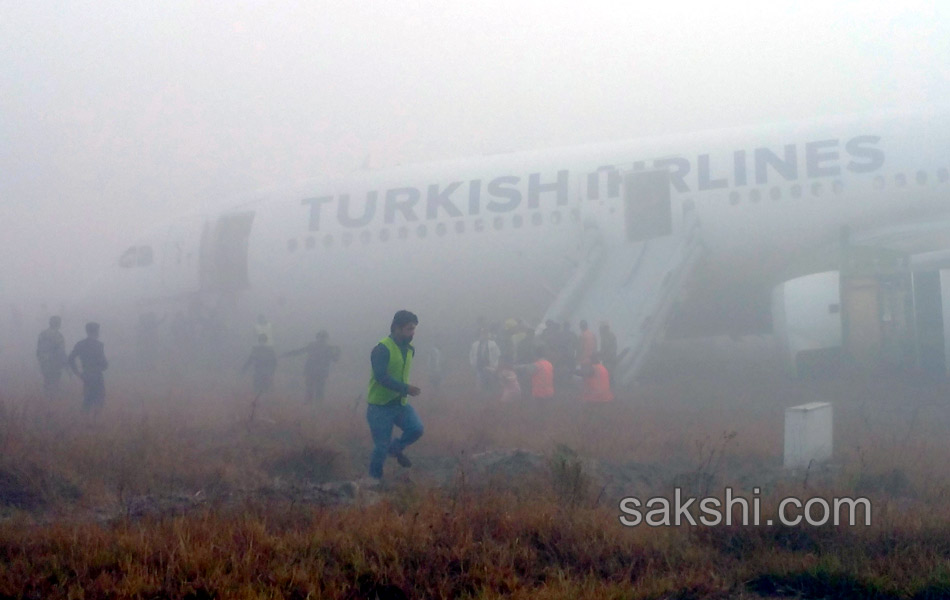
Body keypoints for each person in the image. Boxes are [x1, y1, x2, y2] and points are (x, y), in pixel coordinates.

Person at [367, 310, 423, 480]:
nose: (412, 333)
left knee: (416, 429)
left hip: (400, 404)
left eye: (413, 329)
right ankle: (374, 480)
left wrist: (404, 392)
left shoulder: (410, 350)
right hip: (380, 407)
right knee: (380, 448)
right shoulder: (381, 349)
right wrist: (406, 388)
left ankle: (395, 448)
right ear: (396, 328)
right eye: (408, 329)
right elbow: (381, 376)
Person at [282, 330, 340, 403]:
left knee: (314, 389)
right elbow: (335, 359)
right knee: (315, 389)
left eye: (323, 337)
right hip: (317, 372)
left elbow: (299, 351)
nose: (322, 339)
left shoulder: (321, 347)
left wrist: (336, 353)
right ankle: (315, 406)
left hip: (314, 372)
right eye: (321, 337)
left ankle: (312, 405)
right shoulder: (326, 348)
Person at [67, 322, 109, 412]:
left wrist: (78, 373)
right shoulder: (99, 345)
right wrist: (102, 366)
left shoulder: (80, 344)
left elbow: (70, 359)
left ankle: (84, 421)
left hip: (86, 375)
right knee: (99, 400)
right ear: (96, 332)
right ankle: (94, 422)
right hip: (97, 375)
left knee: (87, 399)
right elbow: (105, 364)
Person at [36, 316, 67, 398]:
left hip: (45, 363)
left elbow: (38, 350)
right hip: (55, 364)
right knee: (55, 385)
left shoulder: (42, 334)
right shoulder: (59, 335)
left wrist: (41, 361)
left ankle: (47, 401)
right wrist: (65, 364)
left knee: (47, 383)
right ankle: (53, 403)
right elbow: (61, 352)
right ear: (58, 324)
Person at [469, 328, 500, 396]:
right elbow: (471, 355)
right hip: (479, 367)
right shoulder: (475, 344)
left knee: (489, 383)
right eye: (482, 333)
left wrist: (494, 367)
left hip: (489, 367)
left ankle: (490, 397)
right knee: (479, 384)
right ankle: (480, 399)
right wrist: (472, 364)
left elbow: (496, 355)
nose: (483, 335)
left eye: (485, 333)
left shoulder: (493, 344)